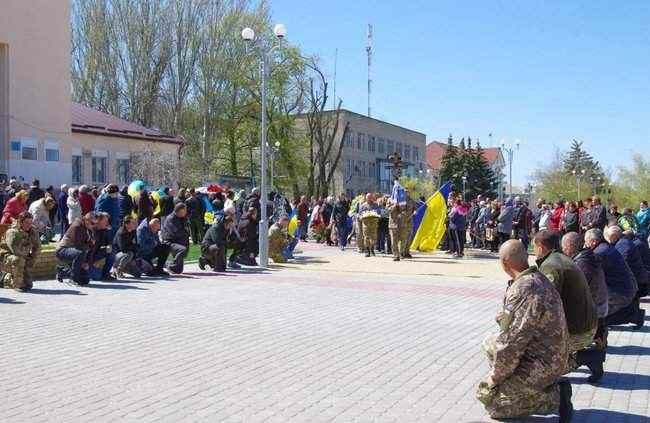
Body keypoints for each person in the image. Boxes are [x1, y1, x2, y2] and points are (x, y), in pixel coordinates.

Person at [476, 240, 572, 421]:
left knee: (495, 407)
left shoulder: (524, 288)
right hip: (547, 353)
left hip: (544, 363)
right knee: (489, 342)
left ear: (504, 263)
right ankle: (516, 385)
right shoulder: (536, 277)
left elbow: (512, 343)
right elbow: (512, 325)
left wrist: (494, 379)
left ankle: (556, 398)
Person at [533, 230, 600, 380]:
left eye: (534, 248)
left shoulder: (551, 266)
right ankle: (582, 356)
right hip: (586, 324)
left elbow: (546, 305)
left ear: (541, 247)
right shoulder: (561, 259)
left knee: (537, 364)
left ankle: (586, 358)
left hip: (578, 331)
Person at [562, 231, 610, 360]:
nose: (563, 250)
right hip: (600, 306)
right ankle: (596, 339)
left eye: (564, 246)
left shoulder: (582, 263)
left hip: (594, 311)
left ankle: (588, 357)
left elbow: (575, 293)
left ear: (571, 246)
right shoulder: (588, 257)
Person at [585, 229, 644, 329]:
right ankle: (634, 314)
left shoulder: (600, 253)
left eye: (586, 241)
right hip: (626, 287)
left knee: (598, 309)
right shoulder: (605, 247)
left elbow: (594, 276)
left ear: (593, 241)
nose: (585, 244)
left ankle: (633, 315)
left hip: (621, 291)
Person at [0, 212, 41, 292]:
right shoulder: (13, 232)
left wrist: (33, 256)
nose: (29, 225)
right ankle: (7, 281)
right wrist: (26, 257)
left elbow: (38, 246)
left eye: (30, 222)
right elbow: (15, 250)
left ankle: (16, 279)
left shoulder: (33, 230)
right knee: (18, 259)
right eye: (26, 223)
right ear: (20, 222)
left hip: (22, 256)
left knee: (28, 284)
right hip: (6, 257)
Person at [606, 225, 648, 298]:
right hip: (637, 280)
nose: (609, 241)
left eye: (609, 238)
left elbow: (619, 263)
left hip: (637, 282)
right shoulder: (623, 242)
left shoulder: (623, 245)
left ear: (614, 236)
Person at [56, 212, 97, 286]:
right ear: (86, 220)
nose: (94, 226)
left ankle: (62, 271)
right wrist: (90, 245)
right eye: (92, 223)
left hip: (76, 251)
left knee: (85, 280)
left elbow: (91, 246)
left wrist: (87, 262)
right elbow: (79, 245)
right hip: (63, 249)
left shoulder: (89, 228)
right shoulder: (77, 226)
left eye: (95, 224)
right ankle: (72, 279)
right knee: (80, 253)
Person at [160, 203, 190, 274]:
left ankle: (167, 264)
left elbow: (186, 229)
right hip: (169, 242)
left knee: (178, 270)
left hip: (178, 242)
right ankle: (171, 264)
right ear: (179, 211)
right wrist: (185, 234)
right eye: (184, 211)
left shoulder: (182, 218)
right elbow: (176, 233)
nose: (185, 212)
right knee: (182, 249)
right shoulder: (171, 219)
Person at [88, 212, 116, 281]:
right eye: (105, 221)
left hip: (95, 255)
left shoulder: (104, 230)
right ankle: (66, 271)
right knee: (97, 276)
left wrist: (108, 232)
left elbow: (109, 244)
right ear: (99, 221)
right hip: (88, 257)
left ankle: (105, 274)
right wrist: (92, 262)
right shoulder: (93, 231)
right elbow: (88, 250)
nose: (107, 223)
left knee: (112, 250)